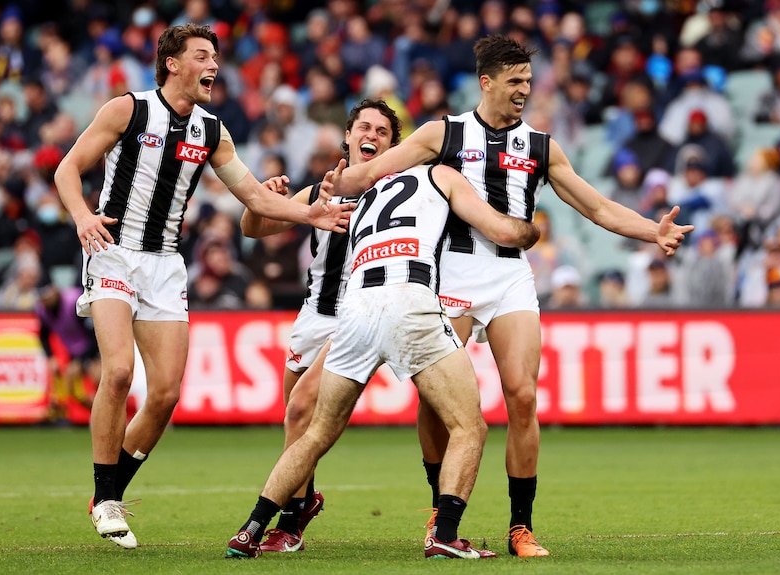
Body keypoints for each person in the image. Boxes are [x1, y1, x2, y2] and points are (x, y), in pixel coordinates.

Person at [331, 34, 693, 557]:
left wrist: (650, 232)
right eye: (515, 80)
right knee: (437, 404)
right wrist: (330, 189)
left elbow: (596, 207)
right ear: (487, 82)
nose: (524, 89)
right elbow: (375, 170)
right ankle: (443, 512)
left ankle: (520, 526)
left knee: (522, 396)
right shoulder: (443, 133)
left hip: (509, 278)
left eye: (528, 80)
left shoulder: (542, 146)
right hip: (450, 274)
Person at [53, 23, 354, 550]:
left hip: (166, 264)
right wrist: (81, 215)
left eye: (215, 56)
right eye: (202, 55)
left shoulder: (212, 131)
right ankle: (105, 499)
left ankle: (111, 493)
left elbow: (256, 200)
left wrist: (310, 213)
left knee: (166, 393)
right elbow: (67, 169)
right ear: (172, 63)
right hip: (114, 251)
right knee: (120, 370)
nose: (213, 64)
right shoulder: (127, 109)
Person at [227, 161, 540, 561]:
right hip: (408, 298)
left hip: (354, 310)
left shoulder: (357, 195)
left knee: (317, 432)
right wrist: (533, 229)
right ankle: (444, 533)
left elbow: (260, 226)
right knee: (469, 426)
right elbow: (502, 231)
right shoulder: (438, 175)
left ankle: (250, 529)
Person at [237, 98, 402, 553]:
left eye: (382, 131)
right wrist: (263, 199)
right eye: (363, 127)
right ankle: (304, 500)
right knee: (295, 421)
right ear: (347, 136)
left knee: (300, 413)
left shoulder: (399, 190)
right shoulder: (319, 193)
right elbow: (254, 227)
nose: (371, 135)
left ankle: (287, 523)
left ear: (392, 144)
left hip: (358, 316)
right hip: (314, 314)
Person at [36, 284, 99, 424]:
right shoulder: (43, 310)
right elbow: (43, 335)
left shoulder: (73, 303)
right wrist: (50, 357)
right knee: (74, 390)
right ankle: (103, 417)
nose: (45, 300)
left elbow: (95, 334)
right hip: (75, 352)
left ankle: (113, 416)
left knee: (101, 380)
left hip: (95, 348)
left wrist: (82, 361)